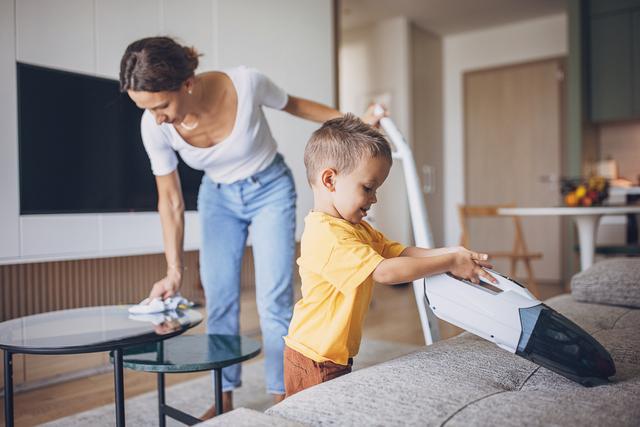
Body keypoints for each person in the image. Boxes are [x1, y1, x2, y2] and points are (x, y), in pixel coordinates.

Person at [119, 36, 382, 417]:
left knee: (273, 301)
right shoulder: (153, 125)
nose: (156, 117)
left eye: (161, 105)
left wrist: (353, 121)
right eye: (147, 109)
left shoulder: (245, 83)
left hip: (269, 187)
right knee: (220, 299)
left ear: (188, 83)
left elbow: (295, 105)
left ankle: (283, 398)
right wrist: (173, 270)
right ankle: (223, 396)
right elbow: (171, 201)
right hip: (217, 196)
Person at [283, 114, 497, 397]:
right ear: (330, 180)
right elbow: (385, 271)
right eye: (368, 188)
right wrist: (449, 262)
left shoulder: (356, 228)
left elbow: (401, 252)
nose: (374, 199)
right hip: (314, 356)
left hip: (330, 353)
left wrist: (452, 252)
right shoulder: (328, 236)